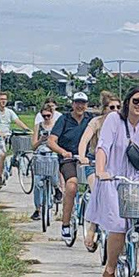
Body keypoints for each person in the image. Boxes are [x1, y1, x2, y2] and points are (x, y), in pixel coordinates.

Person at [87, 85, 139, 277]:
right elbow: (103, 146)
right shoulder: (114, 120)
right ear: (127, 102)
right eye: (135, 101)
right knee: (118, 226)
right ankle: (110, 268)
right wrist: (101, 170)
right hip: (114, 179)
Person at [47, 91, 93, 241]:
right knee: (71, 186)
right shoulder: (64, 119)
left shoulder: (90, 120)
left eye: (83, 103)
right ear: (73, 104)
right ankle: (65, 224)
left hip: (87, 159)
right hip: (69, 159)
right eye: (77, 103)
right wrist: (63, 151)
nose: (80, 106)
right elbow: (51, 141)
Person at [78, 91, 121, 248]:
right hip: (94, 163)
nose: (115, 110)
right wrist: (83, 156)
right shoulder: (96, 122)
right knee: (98, 188)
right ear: (104, 109)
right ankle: (92, 227)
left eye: (118, 107)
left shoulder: (124, 124)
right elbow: (84, 140)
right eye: (111, 107)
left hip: (114, 166)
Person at [0, 91, 32, 186]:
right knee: (2, 154)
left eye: (5, 99)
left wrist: (27, 129)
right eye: (1, 99)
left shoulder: (9, 112)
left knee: (18, 146)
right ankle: (0, 176)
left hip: (8, 134)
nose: (3, 101)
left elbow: (17, 121)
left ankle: (13, 162)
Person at [30, 104, 62, 220]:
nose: (46, 118)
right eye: (44, 116)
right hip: (40, 154)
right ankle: (38, 209)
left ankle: (56, 187)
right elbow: (33, 146)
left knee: (53, 174)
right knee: (38, 182)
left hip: (52, 154)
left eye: (48, 115)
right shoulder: (38, 126)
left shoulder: (56, 126)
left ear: (52, 114)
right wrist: (40, 140)